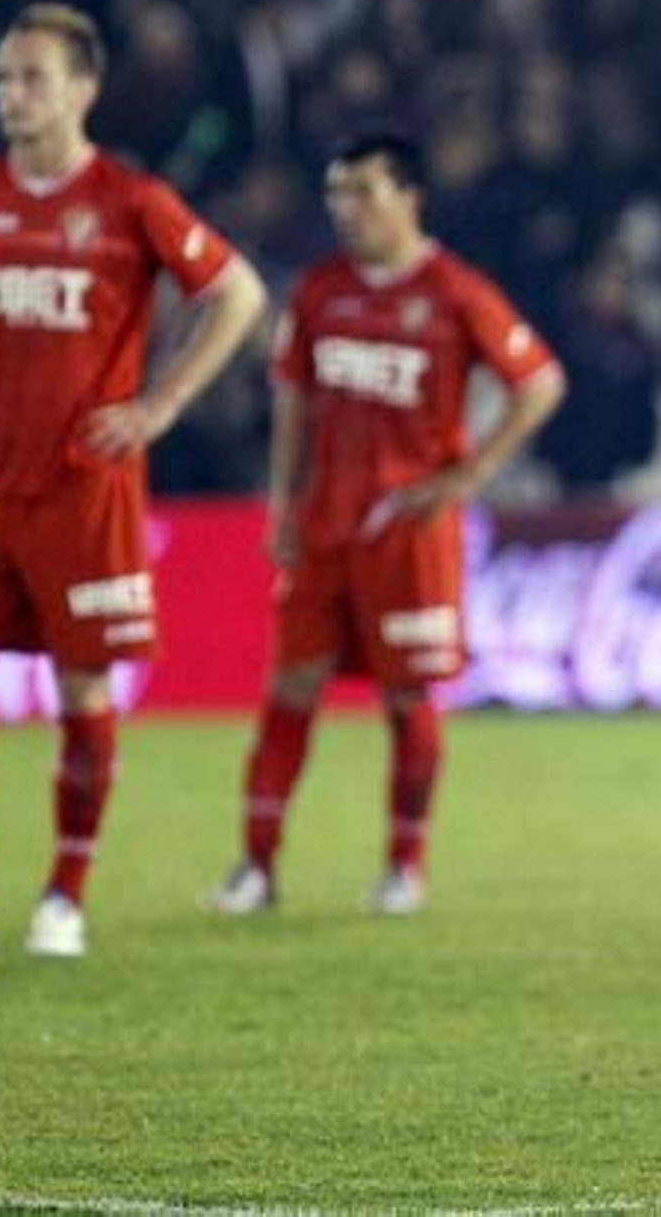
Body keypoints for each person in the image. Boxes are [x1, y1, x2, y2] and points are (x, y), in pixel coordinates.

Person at [0, 3, 267, 959]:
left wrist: (160, 405)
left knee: (83, 691)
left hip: (85, 485)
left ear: (84, 88)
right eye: (3, 78)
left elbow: (236, 293)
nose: (12, 94)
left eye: (32, 77)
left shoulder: (128, 198)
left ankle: (64, 896)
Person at [205, 129, 564, 918]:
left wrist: (470, 471)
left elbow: (537, 381)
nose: (348, 208)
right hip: (326, 525)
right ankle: (256, 867)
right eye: (337, 193)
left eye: (364, 190)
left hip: (409, 530)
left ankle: (405, 865)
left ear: (410, 197)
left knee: (408, 697)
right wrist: (282, 502)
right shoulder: (319, 290)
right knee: (289, 688)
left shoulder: (455, 290)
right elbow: (294, 400)